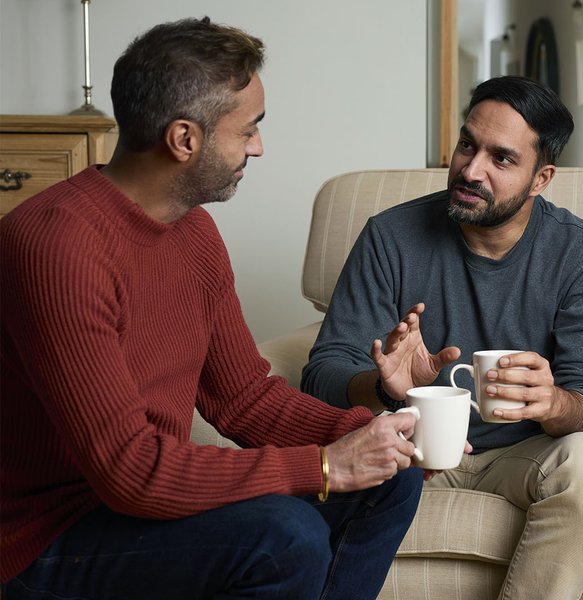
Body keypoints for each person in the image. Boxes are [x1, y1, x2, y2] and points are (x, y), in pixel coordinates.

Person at [0, 18, 422, 600]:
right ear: (184, 139)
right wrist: (324, 466)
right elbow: (130, 470)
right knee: (284, 536)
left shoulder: (193, 231)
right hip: (45, 536)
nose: (259, 146)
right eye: (248, 130)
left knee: (389, 483)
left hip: (132, 509)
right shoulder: (55, 245)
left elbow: (244, 398)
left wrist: (379, 436)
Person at [301, 75, 583, 600]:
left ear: (540, 178)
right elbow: (320, 375)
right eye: (466, 144)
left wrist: (554, 401)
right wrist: (384, 389)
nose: (471, 170)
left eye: (501, 159)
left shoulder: (582, 253)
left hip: (522, 455)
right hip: (411, 449)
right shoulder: (391, 235)